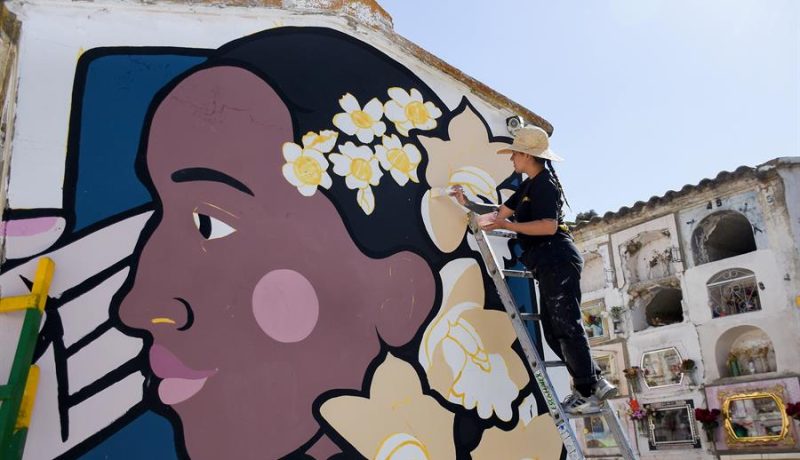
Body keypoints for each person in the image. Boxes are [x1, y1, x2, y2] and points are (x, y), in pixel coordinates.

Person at [451, 125, 616, 415]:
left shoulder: (546, 185)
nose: (511, 158)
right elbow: (496, 216)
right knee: (554, 331)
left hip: (557, 257)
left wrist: (510, 227)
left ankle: (589, 390)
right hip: (546, 262)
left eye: (514, 153)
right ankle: (594, 382)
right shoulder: (527, 187)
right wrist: (467, 203)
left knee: (566, 325)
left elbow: (548, 226)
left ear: (527, 155)